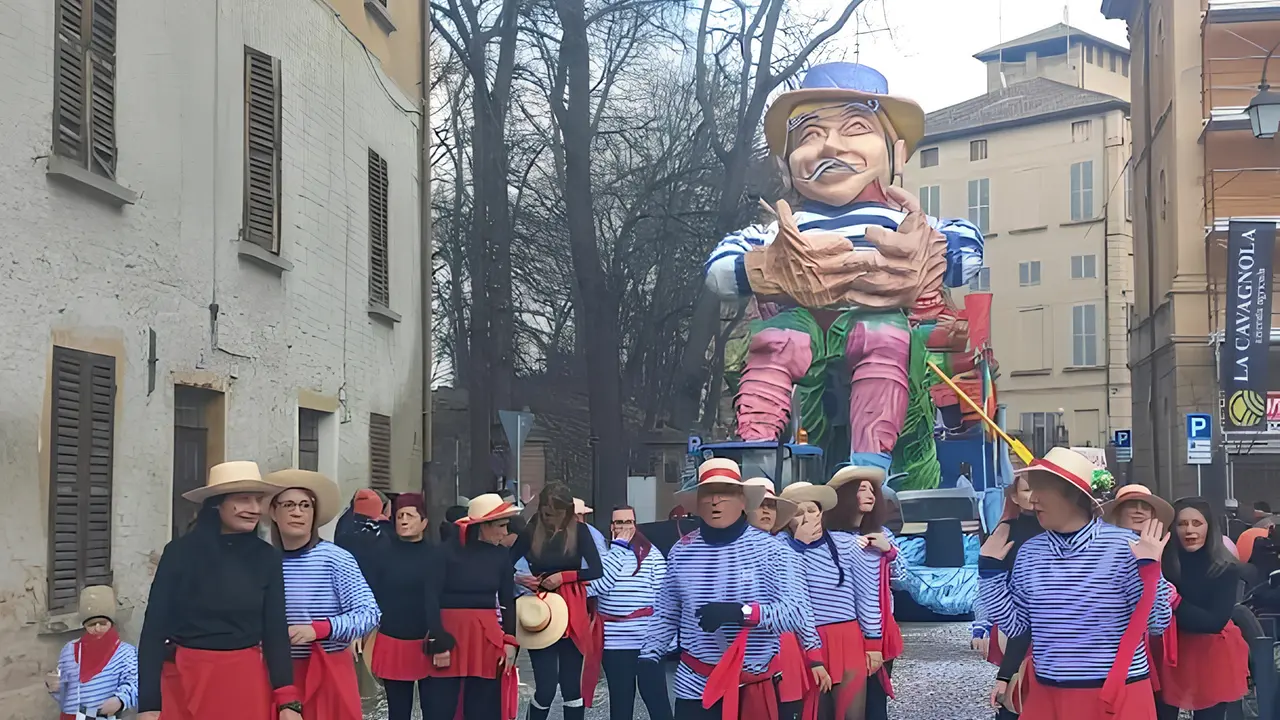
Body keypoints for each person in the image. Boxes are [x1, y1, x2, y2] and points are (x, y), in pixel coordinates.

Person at [978, 448, 1171, 719]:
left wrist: (1151, 572)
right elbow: (1018, 627)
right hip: (1049, 694)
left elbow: (1156, 623)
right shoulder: (1031, 552)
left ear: (1071, 494)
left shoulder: (1125, 546)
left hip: (1117, 695)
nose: (1032, 500)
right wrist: (990, 574)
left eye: (1041, 489)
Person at [640, 458, 816, 720]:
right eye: (709, 493)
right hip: (695, 688)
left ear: (743, 500)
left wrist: (741, 613)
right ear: (698, 502)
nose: (715, 500)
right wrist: (648, 656)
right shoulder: (681, 551)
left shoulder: (774, 550)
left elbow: (796, 613)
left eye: (725, 492)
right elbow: (666, 613)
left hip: (752, 688)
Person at [137, 461, 301, 720]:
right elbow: (153, 630)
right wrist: (148, 704)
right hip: (183, 681)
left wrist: (288, 701)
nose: (255, 509)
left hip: (243, 683)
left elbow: (275, 631)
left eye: (258, 500)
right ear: (217, 503)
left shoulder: (267, 558)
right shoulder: (179, 553)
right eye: (243, 499)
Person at [265, 470, 380, 720]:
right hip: (274, 674)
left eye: (305, 505)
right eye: (289, 505)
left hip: (328, 669)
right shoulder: (262, 561)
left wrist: (318, 629)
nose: (298, 512)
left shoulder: (335, 559)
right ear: (274, 512)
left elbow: (369, 613)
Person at [422, 494, 521, 719]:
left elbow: (508, 600)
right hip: (449, 635)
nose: (506, 532)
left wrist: (510, 640)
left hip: (486, 638)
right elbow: (431, 597)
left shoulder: (501, 555)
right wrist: (438, 641)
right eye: (501, 525)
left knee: (485, 707)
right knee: (441, 707)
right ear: (482, 526)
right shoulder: (444, 553)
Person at [510, 483, 604, 720]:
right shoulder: (532, 530)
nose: (552, 519)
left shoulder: (580, 531)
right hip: (540, 611)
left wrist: (564, 577)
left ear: (568, 511)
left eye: (557, 514)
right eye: (547, 514)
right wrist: (520, 578)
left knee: (572, 688)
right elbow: (505, 562)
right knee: (545, 687)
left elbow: (596, 570)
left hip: (571, 609)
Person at [779, 480, 869, 720]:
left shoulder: (846, 543)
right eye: (798, 513)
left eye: (812, 510)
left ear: (821, 512)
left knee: (852, 712)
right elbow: (790, 592)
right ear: (788, 520)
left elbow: (866, 594)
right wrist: (799, 546)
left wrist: (874, 641)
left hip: (847, 637)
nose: (808, 518)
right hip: (805, 640)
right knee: (816, 712)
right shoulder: (781, 549)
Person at [1156, 498, 1250, 720]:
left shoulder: (1225, 568)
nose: (1189, 530)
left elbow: (1214, 622)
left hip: (1210, 654)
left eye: (1197, 523)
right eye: (1182, 524)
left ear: (1210, 527)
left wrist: (1176, 602)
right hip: (1169, 651)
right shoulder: (1163, 563)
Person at [824, 466, 902, 720]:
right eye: (861, 489)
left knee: (875, 702)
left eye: (872, 489)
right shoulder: (826, 538)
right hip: (844, 631)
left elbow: (903, 577)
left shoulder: (882, 532)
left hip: (881, 629)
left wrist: (888, 550)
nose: (869, 494)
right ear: (846, 495)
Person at [588, 506, 673, 720]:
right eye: (620, 522)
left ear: (636, 525)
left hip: (647, 641)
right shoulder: (603, 555)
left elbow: (664, 596)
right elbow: (595, 587)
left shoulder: (651, 554)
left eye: (629, 522)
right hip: (614, 642)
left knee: (657, 700)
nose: (625, 527)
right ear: (611, 527)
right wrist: (618, 549)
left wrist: (666, 639)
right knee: (621, 702)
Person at [1101, 485, 1177, 712]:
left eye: (1146, 507)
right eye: (1131, 505)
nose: (1139, 511)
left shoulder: (1167, 550)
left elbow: (1158, 621)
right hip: (1105, 655)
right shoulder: (1099, 550)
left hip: (1152, 649)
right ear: (1116, 513)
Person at [973, 473, 1044, 719]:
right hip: (1016, 621)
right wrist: (981, 625)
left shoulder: (1058, 531)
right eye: (1026, 491)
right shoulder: (1006, 530)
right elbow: (987, 582)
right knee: (1017, 693)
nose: (1034, 497)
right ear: (1014, 496)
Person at [743, 477, 811, 720]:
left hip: (786, 644)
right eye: (761, 504)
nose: (766, 510)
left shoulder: (784, 546)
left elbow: (801, 605)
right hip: (746, 645)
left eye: (772, 505)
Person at [367, 493, 434, 720]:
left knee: (434, 710)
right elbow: (370, 593)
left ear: (424, 521)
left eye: (410, 515)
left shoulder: (436, 556)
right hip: (393, 639)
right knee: (398, 711)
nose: (403, 520)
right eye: (399, 515)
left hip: (428, 640)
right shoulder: (382, 553)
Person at [48, 586, 138, 720]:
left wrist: (120, 700)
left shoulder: (125, 653)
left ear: (111, 623)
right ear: (84, 625)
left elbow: (134, 683)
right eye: (91, 624)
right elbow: (64, 694)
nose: (97, 628)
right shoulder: (69, 650)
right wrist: (54, 685)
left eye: (102, 623)